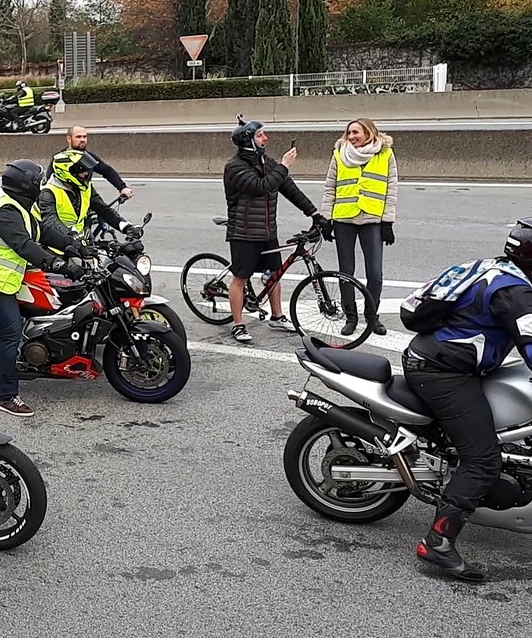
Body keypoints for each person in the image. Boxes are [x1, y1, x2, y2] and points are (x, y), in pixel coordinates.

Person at [401, 219, 532, 582]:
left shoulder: (496, 269)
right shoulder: (514, 294)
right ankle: (438, 541)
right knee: (482, 458)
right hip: (441, 372)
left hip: (446, 360)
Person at [0, 160, 82, 417]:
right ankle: (7, 396)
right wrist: (58, 263)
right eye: (38, 182)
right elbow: (25, 245)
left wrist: (74, 246)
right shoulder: (4, 212)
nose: (42, 185)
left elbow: (41, 232)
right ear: (27, 187)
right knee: (11, 331)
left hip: (4, 276)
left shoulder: (21, 204)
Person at [223, 117, 331, 343]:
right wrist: (283, 166)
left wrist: (315, 215)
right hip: (243, 232)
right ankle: (238, 324)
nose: (266, 138)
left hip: (267, 230)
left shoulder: (267, 163)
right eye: (260, 135)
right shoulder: (234, 167)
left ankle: (277, 316)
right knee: (240, 278)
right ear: (248, 140)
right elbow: (261, 187)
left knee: (274, 274)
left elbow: (290, 190)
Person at [322, 118, 398, 337]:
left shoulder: (385, 155)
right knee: (346, 272)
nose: (351, 137)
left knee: (375, 273)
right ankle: (351, 317)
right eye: (349, 133)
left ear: (369, 133)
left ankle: (372, 316)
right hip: (344, 219)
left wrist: (388, 221)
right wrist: (326, 219)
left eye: (356, 132)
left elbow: (391, 190)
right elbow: (330, 188)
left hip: (372, 220)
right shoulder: (339, 154)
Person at [36, 149, 138, 254]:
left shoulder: (85, 187)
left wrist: (126, 227)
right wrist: (71, 237)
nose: (87, 173)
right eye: (82, 170)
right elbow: (50, 221)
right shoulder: (48, 193)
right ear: (66, 172)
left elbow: (103, 210)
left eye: (88, 170)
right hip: (55, 248)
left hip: (81, 245)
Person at [45, 126, 133, 200]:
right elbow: (49, 182)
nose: (82, 140)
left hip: (88, 198)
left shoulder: (88, 157)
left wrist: (122, 187)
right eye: (78, 137)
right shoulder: (59, 159)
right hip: (67, 201)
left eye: (84, 137)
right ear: (69, 138)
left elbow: (107, 171)